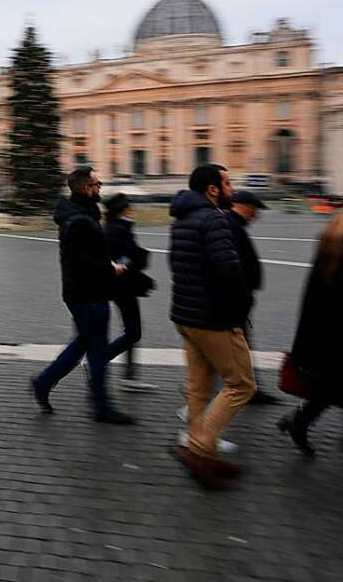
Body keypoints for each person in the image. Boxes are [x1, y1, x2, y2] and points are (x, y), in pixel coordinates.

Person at [169, 164, 254, 486]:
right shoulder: (215, 219)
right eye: (228, 182)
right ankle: (202, 450)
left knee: (199, 388)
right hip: (214, 318)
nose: (231, 188)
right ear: (213, 189)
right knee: (242, 384)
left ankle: (200, 450)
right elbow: (229, 269)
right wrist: (240, 306)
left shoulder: (181, 221)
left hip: (185, 316)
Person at [31, 168, 133, 424]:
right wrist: (111, 268)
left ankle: (43, 382)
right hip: (87, 292)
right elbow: (80, 261)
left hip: (84, 291)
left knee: (84, 343)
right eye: (98, 184)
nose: (101, 188)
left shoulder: (82, 214)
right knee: (96, 350)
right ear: (86, 188)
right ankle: (101, 407)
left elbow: (87, 254)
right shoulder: (79, 220)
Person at [277, 212, 343, 456]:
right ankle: (298, 422)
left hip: (320, 331)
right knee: (332, 387)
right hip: (335, 334)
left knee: (331, 387)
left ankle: (298, 421)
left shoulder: (330, 237)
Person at [102, 193, 157, 392]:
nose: (132, 211)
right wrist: (128, 262)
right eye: (129, 208)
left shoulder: (117, 227)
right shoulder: (118, 229)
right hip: (122, 288)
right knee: (133, 332)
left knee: (132, 331)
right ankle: (100, 361)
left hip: (123, 287)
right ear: (122, 210)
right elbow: (122, 257)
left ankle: (130, 375)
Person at [227, 190, 278, 406]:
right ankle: (248, 389)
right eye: (254, 209)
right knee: (239, 345)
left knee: (238, 344)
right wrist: (242, 292)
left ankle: (249, 386)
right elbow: (232, 265)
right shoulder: (232, 226)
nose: (255, 215)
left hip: (237, 298)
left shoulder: (234, 225)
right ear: (243, 206)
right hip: (234, 300)